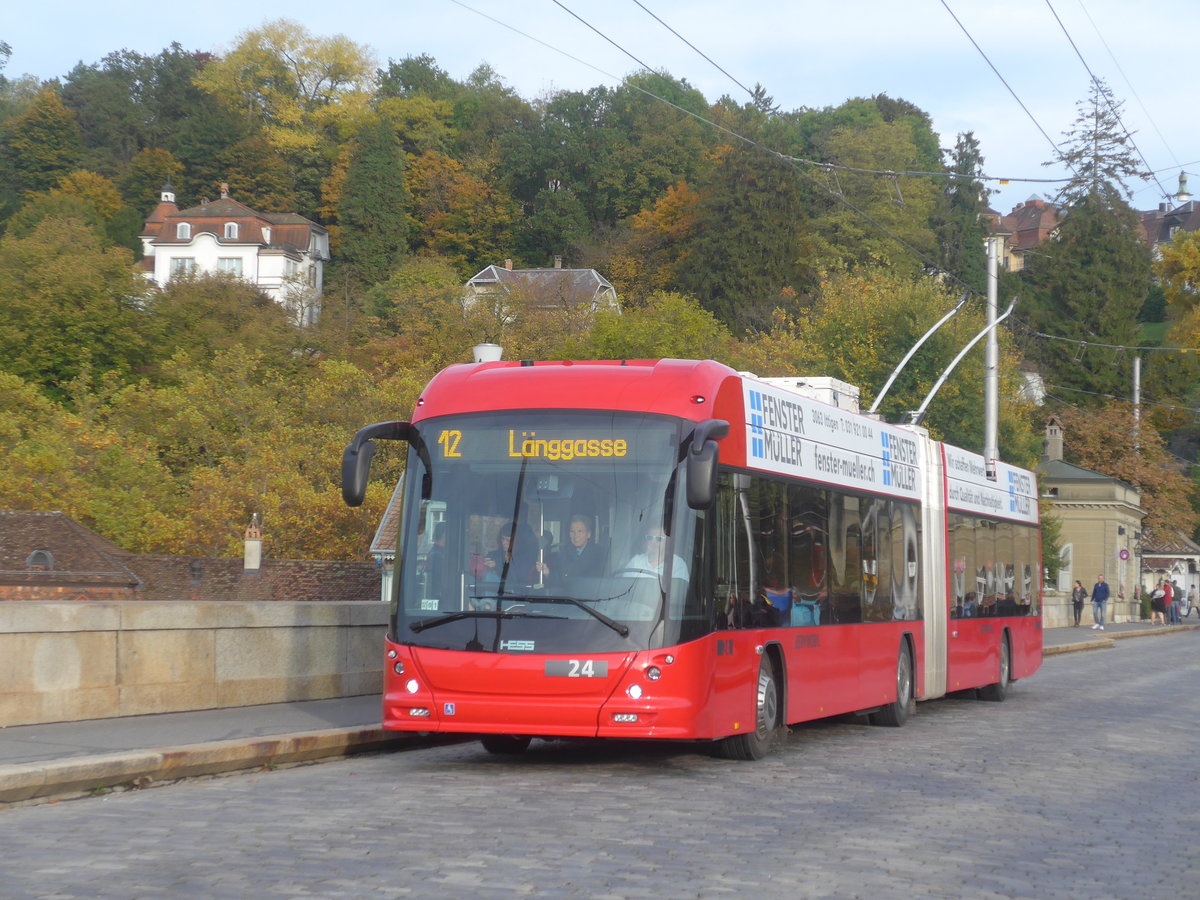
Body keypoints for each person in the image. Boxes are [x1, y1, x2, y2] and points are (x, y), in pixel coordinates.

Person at [541, 515, 605, 585]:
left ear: (588, 534)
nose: (576, 536)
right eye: (572, 531)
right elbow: (560, 581)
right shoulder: (564, 553)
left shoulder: (598, 554)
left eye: (580, 531)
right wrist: (547, 573)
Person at [623, 526, 689, 581]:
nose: (653, 542)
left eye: (659, 539)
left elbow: (675, 595)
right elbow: (623, 586)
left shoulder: (678, 564)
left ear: (667, 541)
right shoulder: (636, 561)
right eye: (650, 538)